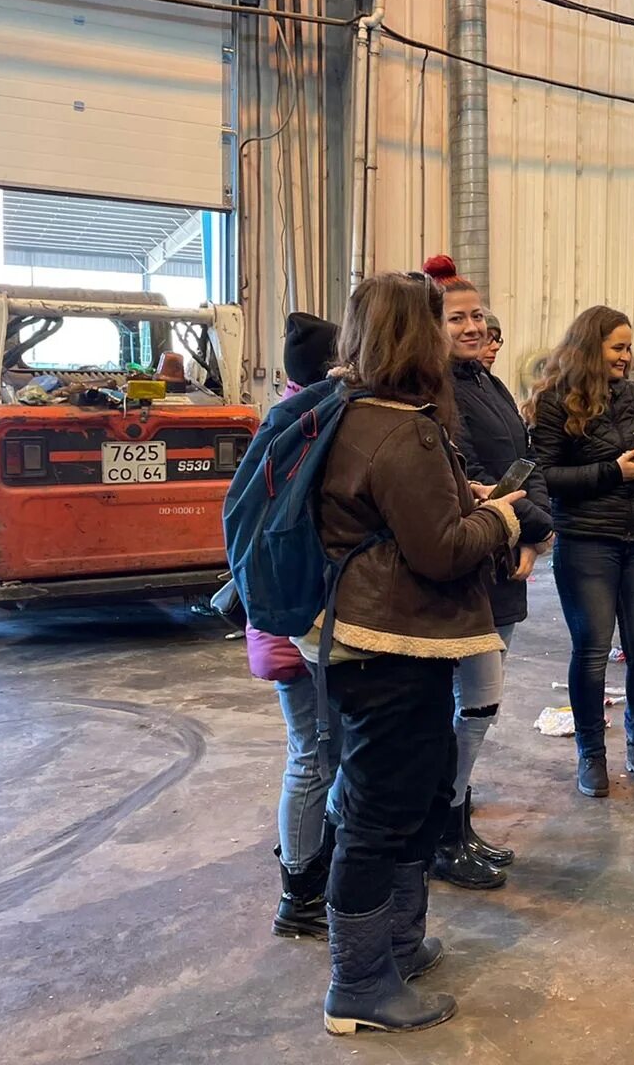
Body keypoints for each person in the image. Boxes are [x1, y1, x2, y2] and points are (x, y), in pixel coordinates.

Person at [312, 272, 525, 1036]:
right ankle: (360, 981)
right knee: (378, 813)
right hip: (389, 642)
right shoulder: (402, 428)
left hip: (384, 637)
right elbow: (438, 552)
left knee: (406, 798)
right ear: (416, 335)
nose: (455, 336)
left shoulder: (358, 413)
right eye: (441, 323)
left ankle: (396, 946)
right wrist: (499, 519)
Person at [420, 255, 554, 889]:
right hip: (475, 565)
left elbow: (526, 466)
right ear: (430, 326)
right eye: (457, 318)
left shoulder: (485, 381)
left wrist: (540, 529)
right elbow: (467, 479)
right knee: (473, 702)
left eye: (478, 314)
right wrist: (530, 527)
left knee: (479, 704)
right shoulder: (437, 391)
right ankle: (441, 834)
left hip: (506, 559)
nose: (472, 326)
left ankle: (455, 825)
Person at [525, 306, 634, 799]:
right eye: (619, 348)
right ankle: (591, 753)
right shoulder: (554, 402)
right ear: (592, 347)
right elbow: (543, 477)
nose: (628, 358)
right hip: (587, 543)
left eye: (630, 348)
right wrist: (615, 471)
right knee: (591, 654)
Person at [250, 311, 343, 940]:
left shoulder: (286, 420)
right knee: (313, 756)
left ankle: (305, 866)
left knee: (315, 755)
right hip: (296, 629)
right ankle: (301, 892)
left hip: (284, 623)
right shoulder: (308, 431)